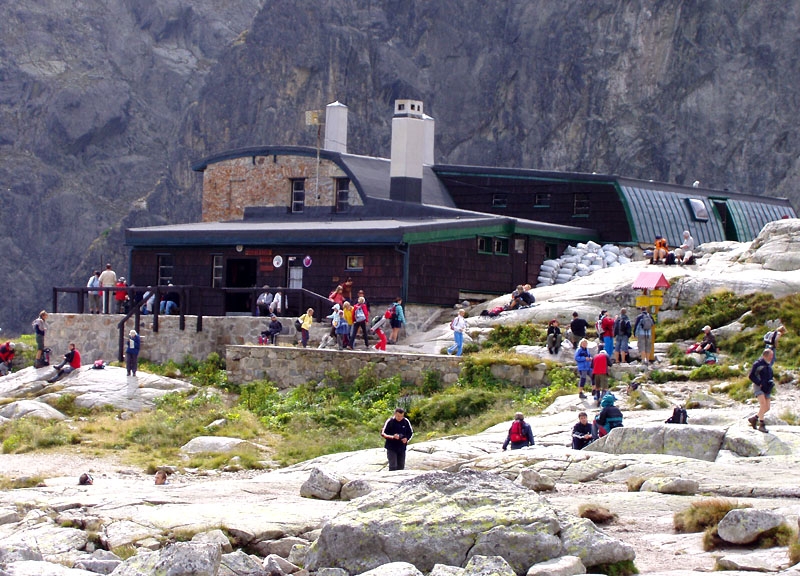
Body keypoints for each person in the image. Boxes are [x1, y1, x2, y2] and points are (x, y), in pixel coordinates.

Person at [747, 348, 774, 433]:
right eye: (771, 355)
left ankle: (754, 418)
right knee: (763, 404)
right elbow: (751, 376)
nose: (772, 357)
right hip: (758, 386)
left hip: (767, 387)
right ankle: (761, 425)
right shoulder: (758, 364)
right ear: (766, 355)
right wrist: (759, 383)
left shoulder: (768, 365)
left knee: (767, 407)